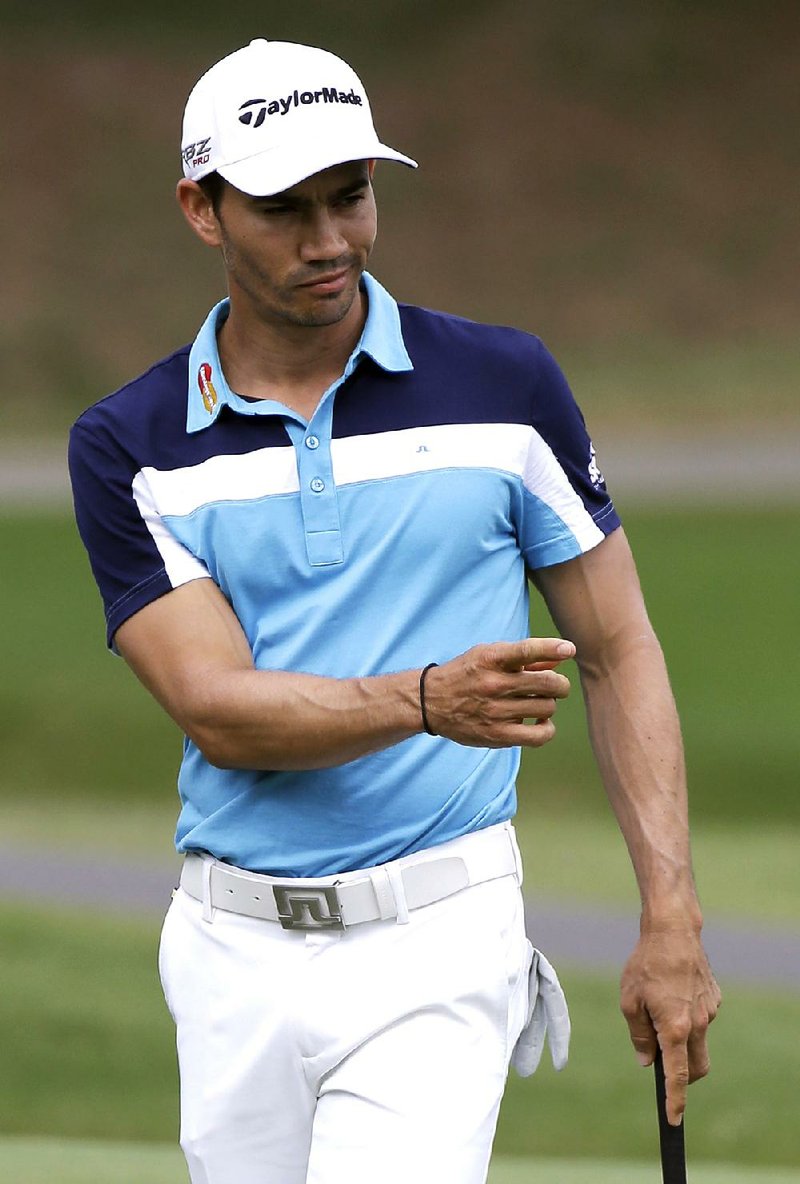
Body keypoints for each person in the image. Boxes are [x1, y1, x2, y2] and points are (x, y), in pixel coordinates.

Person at [68, 37, 720, 1184]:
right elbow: (217, 708)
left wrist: (670, 918)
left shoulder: (504, 388)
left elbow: (618, 648)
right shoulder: (131, 446)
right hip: (229, 947)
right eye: (285, 208)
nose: (330, 239)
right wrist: (426, 699)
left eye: (351, 196)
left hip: (438, 931)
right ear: (202, 208)